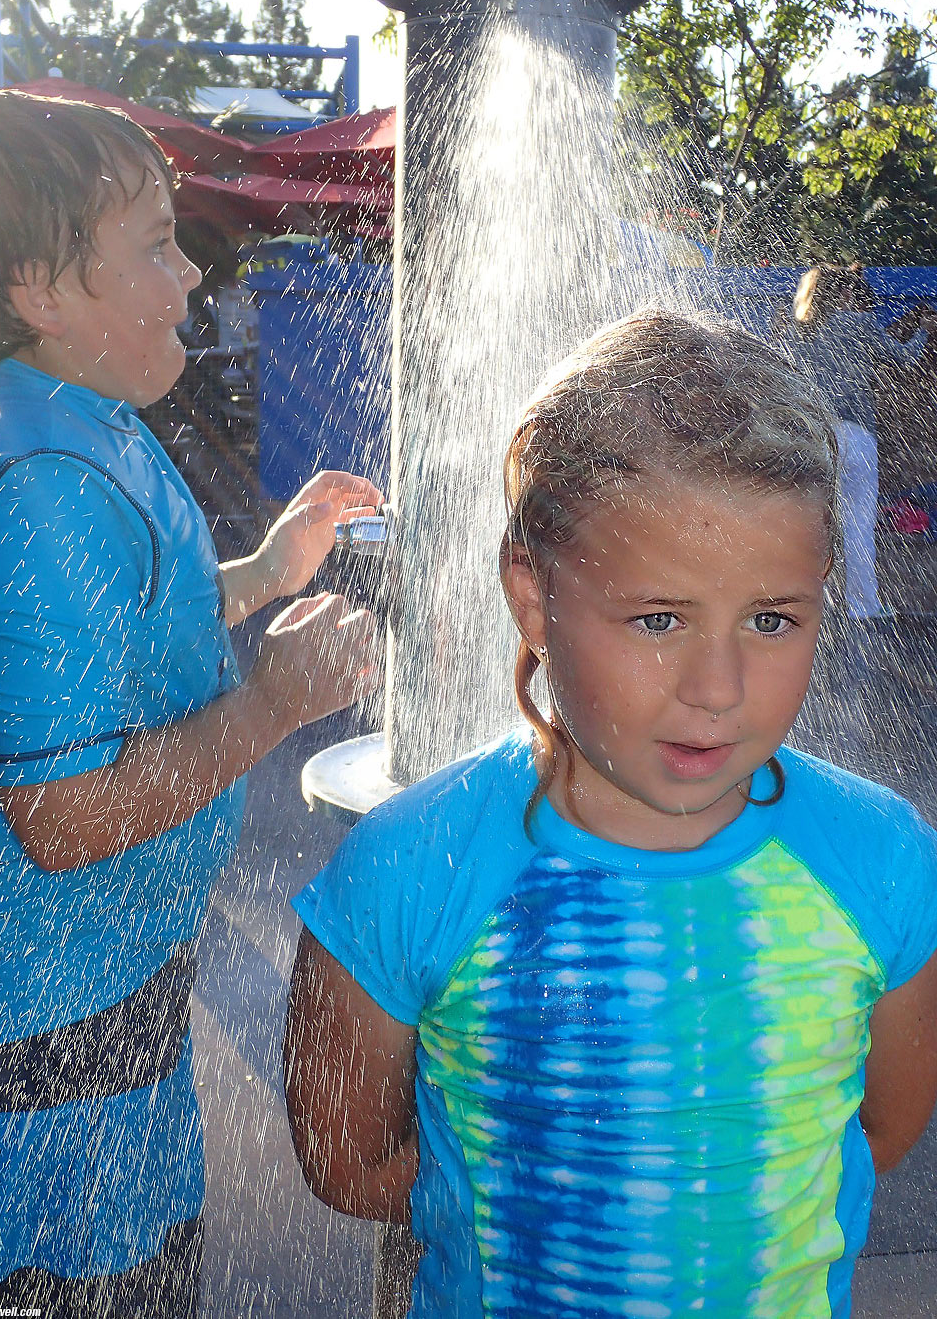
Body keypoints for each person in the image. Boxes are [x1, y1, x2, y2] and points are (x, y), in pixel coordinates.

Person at [285, 310, 937, 1318]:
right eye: (657, 618)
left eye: (771, 618)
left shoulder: (889, 861)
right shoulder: (401, 874)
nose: (717, 688)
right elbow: (349, 1167)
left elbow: (879, 1128)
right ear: (533, 596)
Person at [0, 90, 382, 1315]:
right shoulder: (34, 480)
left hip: (101, 972)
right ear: (39, 288)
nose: (189, 272)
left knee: (147, 1262)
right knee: (97, 1291)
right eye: (152, 242)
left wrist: (268, 571)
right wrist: (278, 704)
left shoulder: (81, 423)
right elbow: (63, 816)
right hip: (50, 1006)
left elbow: (134, 624)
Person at [782, 262, 937, 620]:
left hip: (816, 438)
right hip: (857, 435)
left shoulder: (797, 332)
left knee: (812, 526)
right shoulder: (860, 325)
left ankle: (804, 609)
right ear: (845, 293)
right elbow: (906, 357)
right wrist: (923, 331)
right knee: (859, 527)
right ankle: (863, 607)